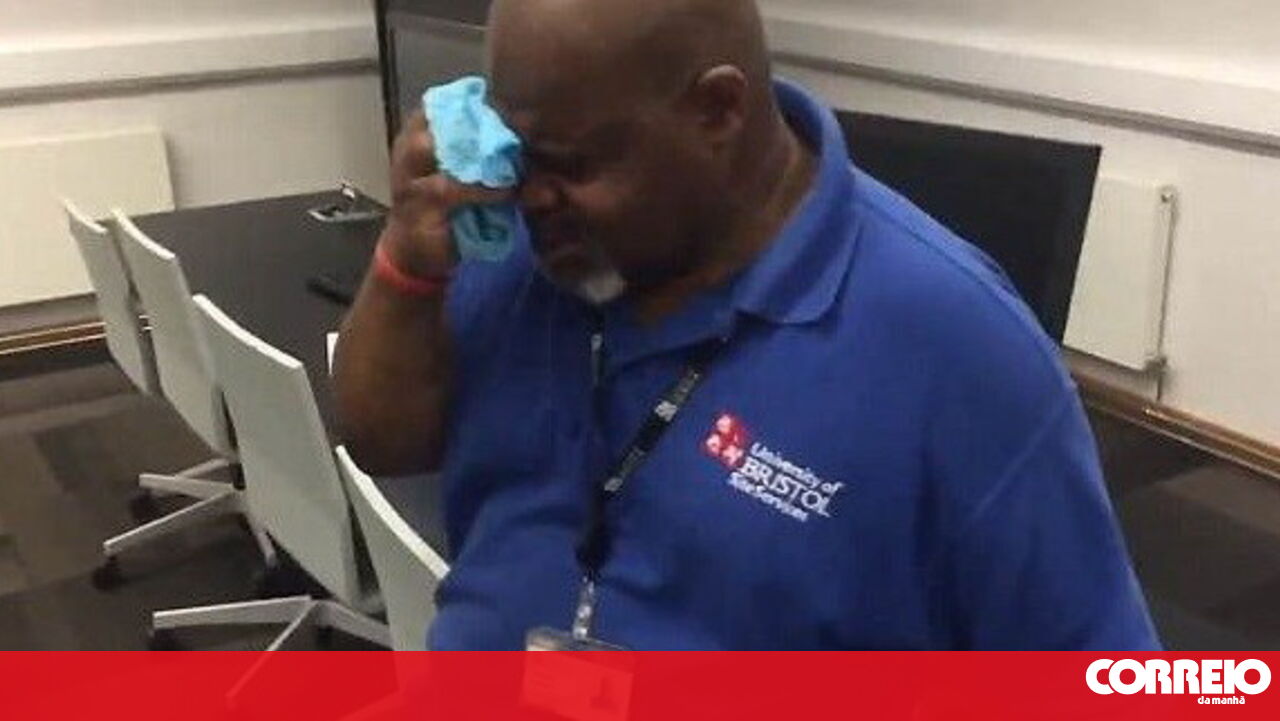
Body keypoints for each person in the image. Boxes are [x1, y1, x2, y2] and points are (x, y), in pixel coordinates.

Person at [334, 0, 1160, 650]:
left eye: (572, 163)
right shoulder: (530, 240)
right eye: (517, 154)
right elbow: (383, 442)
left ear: (718, 110)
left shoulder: (958, 345)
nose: (530, 195)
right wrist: (408, 260)